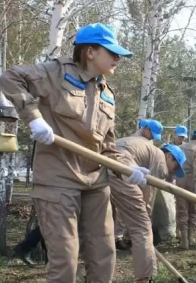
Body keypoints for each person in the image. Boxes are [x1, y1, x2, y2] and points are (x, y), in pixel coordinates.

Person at [0, 23, 150, 282]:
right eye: (112, 53)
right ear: (90, 52)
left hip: (95, 183)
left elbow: (108, 148)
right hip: (57, 180)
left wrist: (128, 168)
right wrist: (34, 117)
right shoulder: (55, 73)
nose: (118, 59)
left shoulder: (108, 94)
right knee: (65, 262)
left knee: (104, 257)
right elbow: (9, 77)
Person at [110, 136, 186, 282]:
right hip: (122, 165)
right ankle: (145, 278)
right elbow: (147, 194)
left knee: (106, 225)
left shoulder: (145, 147)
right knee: (142, 227)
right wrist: (144, 214)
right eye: (175, 167)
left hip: (101, 162)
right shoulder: (160, 161)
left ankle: (96, 276)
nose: (173, 172)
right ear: (169, 156)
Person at [114, 118, 163, 246]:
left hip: (107, 165)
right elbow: (149, 185)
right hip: (124, 169)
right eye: (151, 134)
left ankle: (117, 237)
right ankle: (132, 239)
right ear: (145, 129)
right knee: (134, 206)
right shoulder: (151, 149)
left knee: (114, 206)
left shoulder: (127, 140)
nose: (152, 138)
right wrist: (145, 207)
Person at [176, 129, 196, 249]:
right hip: (191, 181)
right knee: (192, 209)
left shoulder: (179, 148)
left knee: (181, 209)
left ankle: (184, 241)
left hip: (179, 180)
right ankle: (191, 238)